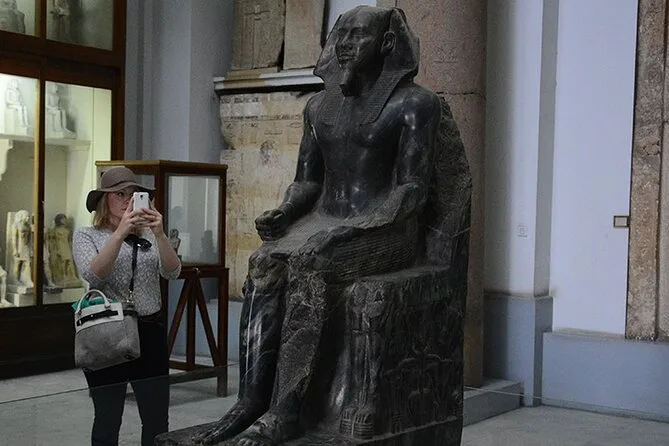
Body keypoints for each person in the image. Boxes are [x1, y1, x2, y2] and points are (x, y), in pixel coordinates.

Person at [194, 6, 440, 446]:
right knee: (263, 263)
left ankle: (286, 412)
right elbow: (308, 182)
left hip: (386, 230)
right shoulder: (319, 107)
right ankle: (250, 400)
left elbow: (411, 190)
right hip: (324, 221)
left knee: (312, 265)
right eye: (340, 35)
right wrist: (286, 211)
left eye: (358, 35)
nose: (345, 44)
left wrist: (353, 230)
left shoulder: (414, 104)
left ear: (387, 44)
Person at [72, 166, 181, 446]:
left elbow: (172, 272)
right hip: (107, 333)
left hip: (150, 331)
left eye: (133, 194)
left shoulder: (149, 234)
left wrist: (160, 234)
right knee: (108, 418)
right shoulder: (86, 235)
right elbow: (94, 274)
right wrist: (120, 233)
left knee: (157, 418)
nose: (127, 200)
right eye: (119, 194)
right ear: (103, 199)